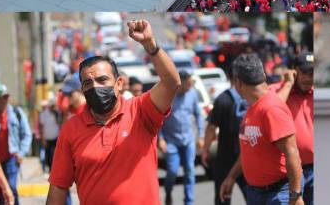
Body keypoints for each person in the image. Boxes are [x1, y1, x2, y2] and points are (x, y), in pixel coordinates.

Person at [45, 19, 181, 205]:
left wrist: (150, 45)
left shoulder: (140, 111)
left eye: (102, 80)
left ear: (118, 84)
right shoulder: (71, 130)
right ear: (83, 90)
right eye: (88, 83)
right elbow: (58, 187)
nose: (95, 87)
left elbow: (171, 83)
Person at [219, 53, 304, 205]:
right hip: (256, 193)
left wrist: (295, 196)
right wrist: (231, 177)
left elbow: (292, 153)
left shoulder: (271, 109)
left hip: (278, 194)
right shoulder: (254, 107)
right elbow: (250, 149)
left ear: (237, 83)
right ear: (264, 76)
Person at [270, 53, 314, 205]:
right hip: (291, 172)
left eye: (313, 73)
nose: (309, 78)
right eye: (305, 73)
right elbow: (272, 111)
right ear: (294, 71)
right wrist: (288, 84)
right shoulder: (280, 91)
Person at [202, 67, 249, 205]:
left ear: (229, 78)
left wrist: (205, 149)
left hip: (225, 156)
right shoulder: (250, 97)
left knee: (223, 196)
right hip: (247, 155)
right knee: (252, 196)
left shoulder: (222, 99)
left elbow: (211, 127)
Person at [159, 71, 205, 205]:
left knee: (189, 170)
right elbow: (159, 119)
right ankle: (168, 192)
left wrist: (201, 135)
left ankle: (189, 201)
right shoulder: (169, 96)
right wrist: (160, 139)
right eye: (188, 84)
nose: (190, 86)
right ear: (181, 83)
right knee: (172, 170)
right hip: (171, 141)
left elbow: (198, 115)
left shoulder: (192, 94)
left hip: (188, 140)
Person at [0, 86, 32, 205]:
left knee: (11, 188)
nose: (2, 100)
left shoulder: (16, 113)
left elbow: (27, 134)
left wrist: (21, 153)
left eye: (5, 97)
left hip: (11, 159)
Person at [38, 101, 60, 173]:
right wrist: (43, 138)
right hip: (47, 138)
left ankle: (55, 170)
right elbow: (41, 127)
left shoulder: (57, 113)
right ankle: (51, 170)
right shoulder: (43, 114)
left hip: (56, 137)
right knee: (48, 156)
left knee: (55, 155)